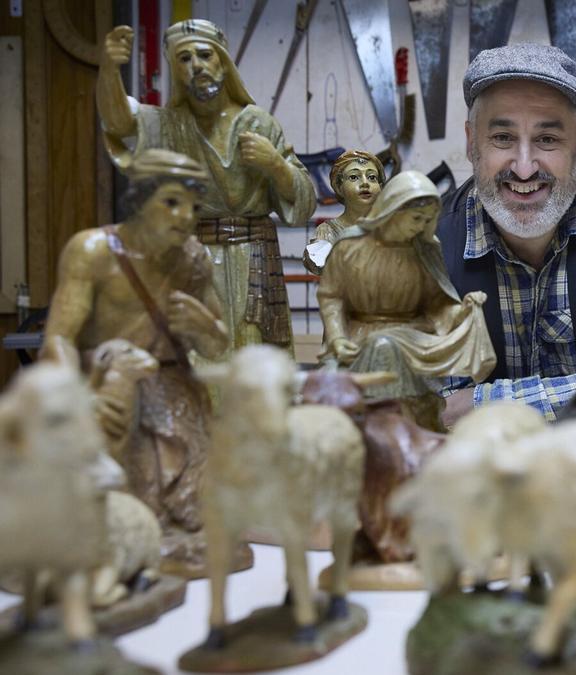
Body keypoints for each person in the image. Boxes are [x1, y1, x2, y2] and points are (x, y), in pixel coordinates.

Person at [437, 44, 576, 423]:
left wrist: (482, 403)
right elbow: (417, 403)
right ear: (472, 143)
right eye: (502, 138)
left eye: (547, 140)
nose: (523, 168)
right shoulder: (424, 247)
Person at [40, 149, 229, 573]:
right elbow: (60, 336)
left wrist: (205, 328)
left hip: (175, 386)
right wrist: (73, 396)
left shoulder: (193, 260)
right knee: (118, 485)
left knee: (203, 502)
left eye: (194, 208)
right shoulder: (92, 250)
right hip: (108, 380)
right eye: (172, 202)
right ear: (139, 199)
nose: (185, 217)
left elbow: (217, 345)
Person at [98, 19, 316, 353]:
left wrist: (275, 164)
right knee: (197, 353)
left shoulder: (257, 122)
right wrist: (110, 70)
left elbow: (303, 203)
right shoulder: (169, 125)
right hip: (193, 256)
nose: (196, 66)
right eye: (184, 59)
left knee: (253, 357)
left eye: (204, 55)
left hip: (252, 260)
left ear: (223, 63)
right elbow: (119, 122)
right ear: (176, 71)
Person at [319, 171, 495, 431]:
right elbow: (331, 296)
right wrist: (336, 337)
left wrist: (464, 310)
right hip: (359, 336)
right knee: (381, 351)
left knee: (396, 359)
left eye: (426, 220)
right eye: (415, 219)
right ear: (393, 209)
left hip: (415, 336)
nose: (419, 227)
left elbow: (437, 304)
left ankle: (411, 435)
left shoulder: (424, 249)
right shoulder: (350, 246)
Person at [304, 150, 384, 275]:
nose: (365, 183)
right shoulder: (327, 231)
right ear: (339, 187)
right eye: (354, 177)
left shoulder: (391, 227)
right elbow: (317, 263)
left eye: (372, 177)